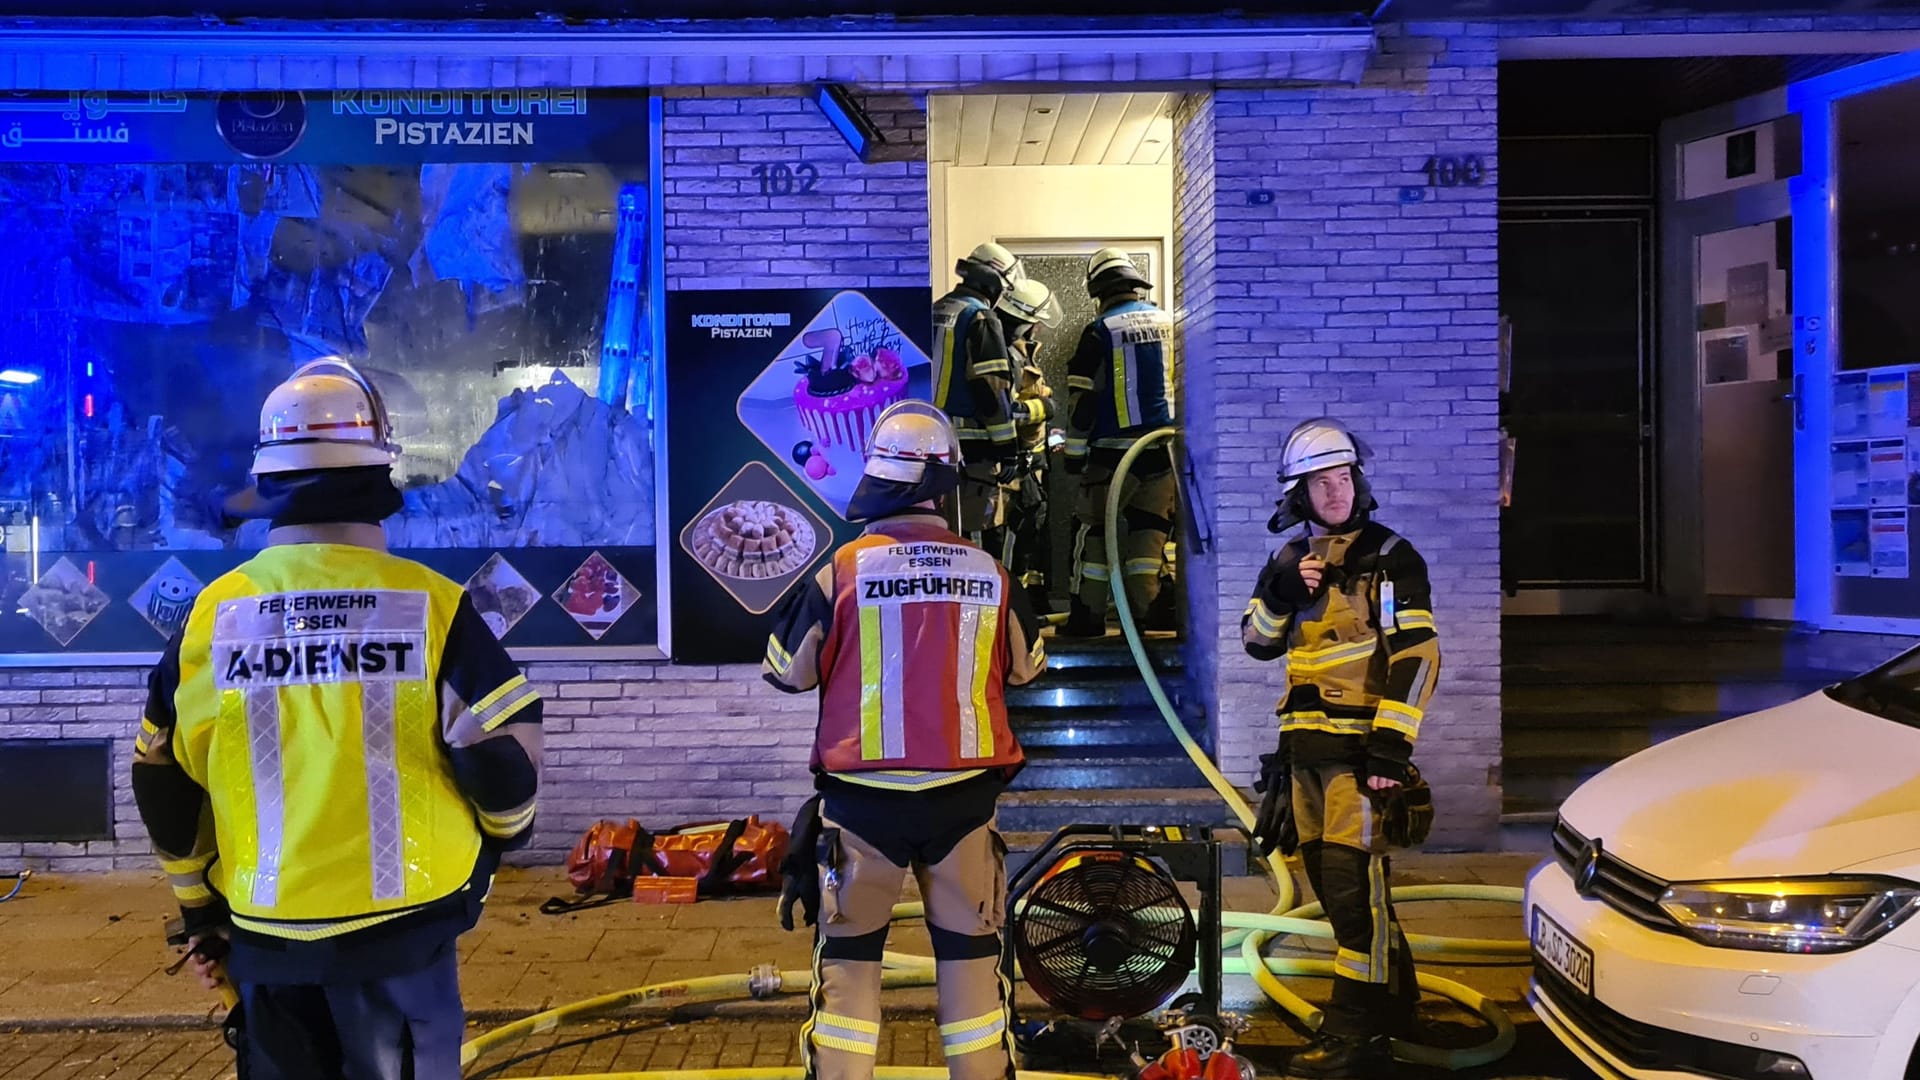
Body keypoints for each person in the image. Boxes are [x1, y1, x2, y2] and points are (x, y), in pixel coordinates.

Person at [132, 358, 544, 1080]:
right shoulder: (435, 607)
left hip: (262, 936)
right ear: (379, 478)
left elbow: (161, 777)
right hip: (405, 940)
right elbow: (506, 779)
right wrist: (505, 832)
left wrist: (199, 911)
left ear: (269, 485)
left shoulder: (208, 618)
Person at [762, 400, 1047, 1080]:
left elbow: (786, 672)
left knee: (851, 979)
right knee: (974, 982)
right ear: (944, 487)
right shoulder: (990, 575)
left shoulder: (841, 573)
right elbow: (1029, 666)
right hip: (963, 808)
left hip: (862, 813)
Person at [1242, 418, 1441, 1080]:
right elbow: (1258, 641)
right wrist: (1278, 592)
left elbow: (1417, 653)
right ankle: (1399, 1004)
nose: (1336, 491)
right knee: (1338, 894)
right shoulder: (1289, 561)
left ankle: (1355, 1031)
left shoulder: (1390, 558)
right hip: (1304, 757)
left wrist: (1390, 749)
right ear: (1297, 494)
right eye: (1321, 482)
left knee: (1353, 894)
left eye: (1344, 477)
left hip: (1360, 759)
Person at [1060, 248, 1178, 638]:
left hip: (1111, 456)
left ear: (1099, 291)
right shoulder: (1170, 323)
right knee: (1150, 530)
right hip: (1162, 453)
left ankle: (1088, 616)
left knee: (1095, 531)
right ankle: (1148, 610)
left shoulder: (1099, 331)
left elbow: (1082, 404)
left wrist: (1074, 459)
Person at [931, 242, 1026, 543]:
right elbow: (991, 387)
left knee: (939, 531)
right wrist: (1007, 449)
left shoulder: (938, 309)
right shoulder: (981, 317)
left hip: (929, 444)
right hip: (971, 451)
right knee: (975, 537)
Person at [986, 278, 1063, 615]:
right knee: (1005, 536)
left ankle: (1026, 601)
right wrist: (1044, 408)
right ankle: (1008, 608)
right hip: (1011, 464)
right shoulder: (1003, 355)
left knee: (1030, 532)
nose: (1039, 330)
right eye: (1036, 323)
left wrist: (1052, 433)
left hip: (1030, 464)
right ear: (1024, 319)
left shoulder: (1020, 350)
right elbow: (1008, 411)